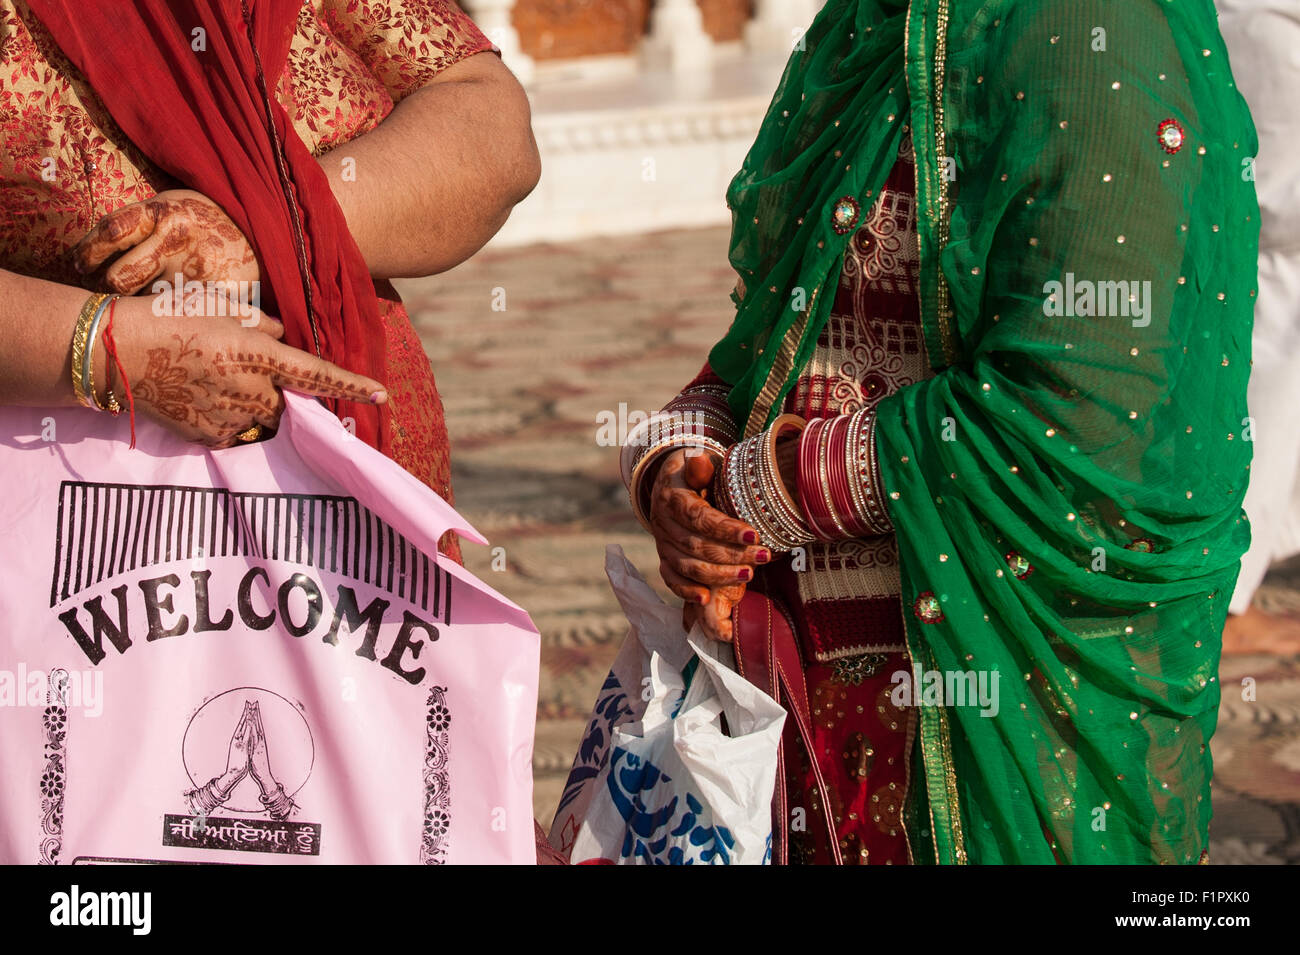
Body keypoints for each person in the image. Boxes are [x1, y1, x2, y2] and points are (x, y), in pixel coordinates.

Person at [624, 0, 1258, 863]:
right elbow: (790, 323)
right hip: (804, 712)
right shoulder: (875, 23)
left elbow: (1080, 410)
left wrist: (764, 489)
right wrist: (684, 455)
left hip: (993, 701)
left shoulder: (1092, 34)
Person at [0, 0, 563, 863]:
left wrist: (268, 234)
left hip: (354, 527)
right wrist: (108, 348)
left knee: (375, 811)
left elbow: (492, 131)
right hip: (68, 546)